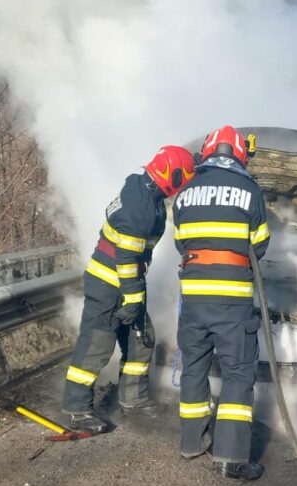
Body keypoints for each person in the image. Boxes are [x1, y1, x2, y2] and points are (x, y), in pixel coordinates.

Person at [61, 146, 196, 434]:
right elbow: (126, 258)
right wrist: (133, 300)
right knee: (97, 345)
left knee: (141, 340)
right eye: (183, 179)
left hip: (127, 280)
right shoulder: (141, 208)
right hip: (110, 282)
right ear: (172, 177)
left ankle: (133, 398)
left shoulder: (143, 185)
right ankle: (77, 408)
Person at [173, 125, 269, 481]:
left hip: (194, 298)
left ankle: (191, 442)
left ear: (209, 152)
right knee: (238, 372)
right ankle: (231, 457)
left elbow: (181, 242)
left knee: (194, 366)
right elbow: (259, 245)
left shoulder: (186, 192)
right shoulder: (249, 190)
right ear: (240, 154)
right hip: (232, 301)